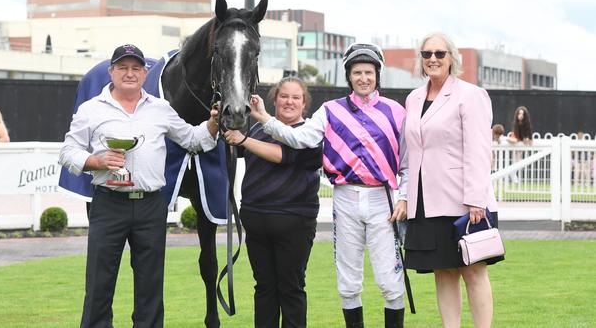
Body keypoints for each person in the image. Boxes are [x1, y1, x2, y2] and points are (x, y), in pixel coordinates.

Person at [59, 44, 220, 328]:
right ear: (111, 72)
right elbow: (68, 152)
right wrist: (94, 161)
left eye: (136, 68)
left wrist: (213, 123)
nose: (129, 73)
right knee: (99, 282)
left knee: (150, 286)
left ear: (145, 73)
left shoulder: (160, 109)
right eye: (123, 68)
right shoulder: (91, 109)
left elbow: (193, 140)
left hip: (150, 205)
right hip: (109, 202)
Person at [249, 43, 408, 328]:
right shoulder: (330, 110)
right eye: (357, 73)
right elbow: (298, 139)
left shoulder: (396, 112)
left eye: (368, 73)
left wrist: (404, 197)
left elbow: (408, 161)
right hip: (345, 197)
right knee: (348, 279)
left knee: (389, 278)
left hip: (383, 200)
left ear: (377, 75)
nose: (363, 78)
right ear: (349, 76)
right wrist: (264, 119)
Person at [402, 32, 503, 328]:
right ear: (421, 60)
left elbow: (478, 150)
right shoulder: (413, 98)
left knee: (473, 271)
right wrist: (406, 196)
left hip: (465, 202)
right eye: (426, 54)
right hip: (426, 203)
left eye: (439, 53)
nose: (432, 59)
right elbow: (411, 153)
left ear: (451, 59)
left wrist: (476, 199)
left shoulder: (471, 95)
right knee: (442, 271)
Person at [223, 77, 322, 328]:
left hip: (294, 222)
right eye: (284, 96)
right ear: (275, 99)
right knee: (264, 288)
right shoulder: (257, 129)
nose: (289, 102)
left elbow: (282, 155)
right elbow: (234, 148)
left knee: (291, 288)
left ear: (304, 104)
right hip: (256, 219)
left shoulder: (310, 134)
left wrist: (243, 139)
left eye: (295, 97)